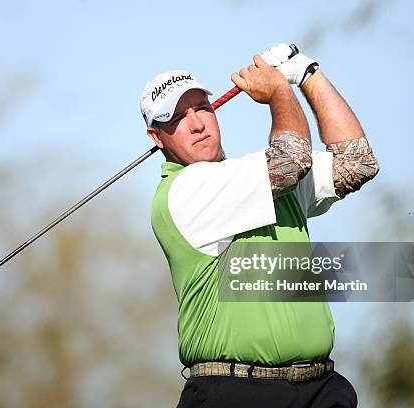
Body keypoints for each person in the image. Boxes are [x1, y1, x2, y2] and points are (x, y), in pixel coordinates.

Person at [140, 43, 379, 407]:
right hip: (235, 392)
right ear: (156, 138)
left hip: (320, 388)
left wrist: (307, 74)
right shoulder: (182, 192)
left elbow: (357, 163)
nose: (197, 123)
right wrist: (280, 90)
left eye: (202, 108)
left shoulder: (251, 179)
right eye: (176, 118)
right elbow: (290, 162)